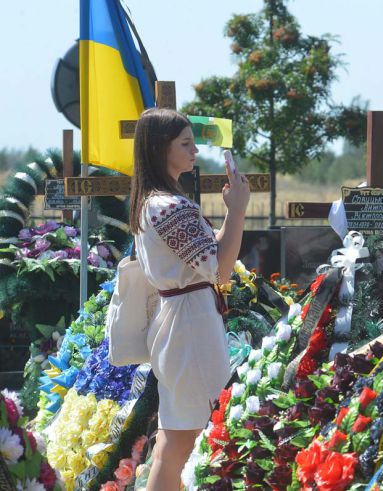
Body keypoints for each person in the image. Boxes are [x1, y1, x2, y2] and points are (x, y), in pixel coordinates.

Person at [128, 108, 250, 491]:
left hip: (181, 321)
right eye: (185, 143)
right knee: (186, 441)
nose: (195, 150)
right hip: (189, 327)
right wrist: (238, 209)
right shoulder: (169, 206)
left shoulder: (153, 202)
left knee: (174, 440)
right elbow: (220, 271)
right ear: (159, 148)